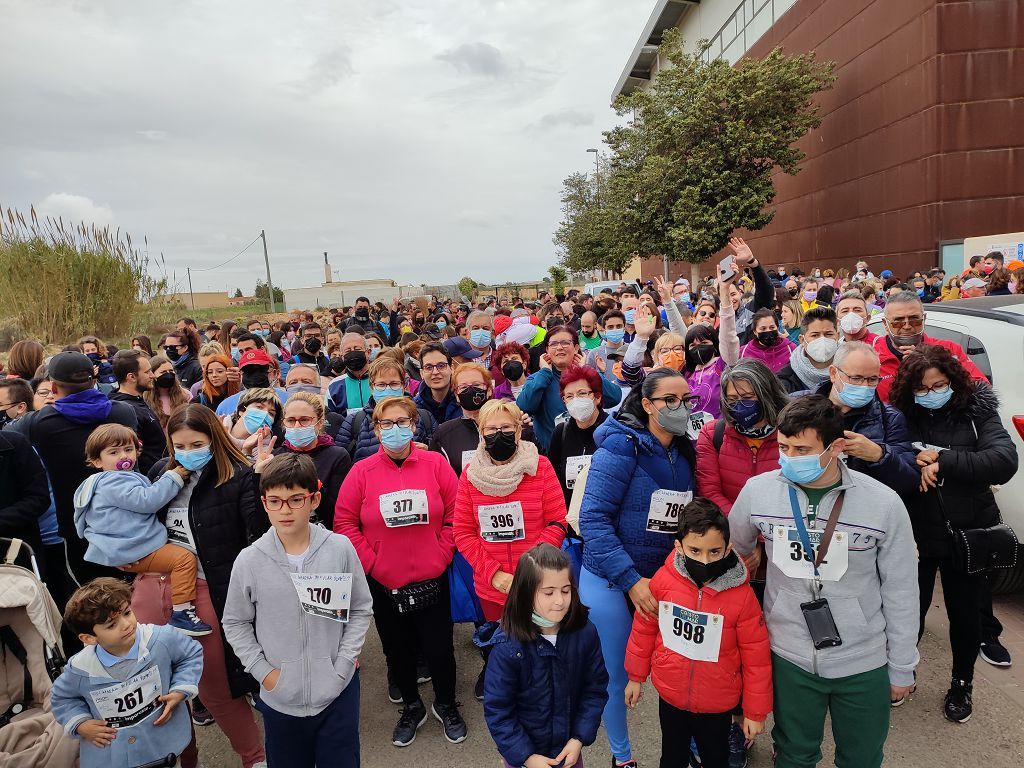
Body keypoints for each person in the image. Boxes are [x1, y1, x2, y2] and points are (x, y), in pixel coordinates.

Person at [728, 395, 919, 768]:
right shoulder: (758, 491)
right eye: (783, 447)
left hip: (862, 661)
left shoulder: (884, 504)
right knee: (794, 755)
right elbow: (733, 551)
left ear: (835, 448)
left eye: (802, 449)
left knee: (861, 757)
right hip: (789, 656)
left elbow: (900, 590)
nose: (789, 457)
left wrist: (901, 666)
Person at [132, 404, 268, 768]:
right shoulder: (162, 472)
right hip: (153, 585)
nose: (188, 453)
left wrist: (259, 479)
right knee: (159, 686)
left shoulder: (237, 475)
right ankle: (183, 757)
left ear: (213, 439)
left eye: (196, 444)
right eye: (179, 446)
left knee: (215, 686)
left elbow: (257, 534)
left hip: (205, 589)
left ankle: (254, 758)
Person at [889, 345, 1017, 722]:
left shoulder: (977, 413)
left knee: (965, 616)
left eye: (939, 385)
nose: (931, 394)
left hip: (969, 531)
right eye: (922, 388)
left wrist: (942, 459)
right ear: (909, 390)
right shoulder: (901, 418)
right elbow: (889, 458)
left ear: (953, 382)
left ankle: (962, 683)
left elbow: (1003, 461)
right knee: (909, 610)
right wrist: (917, 460)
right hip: (917, 533)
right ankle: (902, 672)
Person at [578, 369, 696, 768]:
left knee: (682, 670)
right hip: (610, 580)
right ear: (647, 404)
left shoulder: (686, 451)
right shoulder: (620, 447)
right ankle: (622, 756)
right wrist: (629, 580)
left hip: (666, 580)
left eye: (687, 400)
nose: (681, 408)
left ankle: (688, 746)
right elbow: (593, 519)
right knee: (615, 675)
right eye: (670, 400)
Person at [222, 454, 371, 768]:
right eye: (275, 501)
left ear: (314, 499)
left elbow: (360, 608)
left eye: (295, 499)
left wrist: (343, 664)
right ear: (264, 503)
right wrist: (265, 673)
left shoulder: (340, 548)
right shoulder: (249, 560)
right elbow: (235, 622)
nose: (285, 510)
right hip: (280, 698)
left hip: (337, 691)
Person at [334, 396, 468, 747]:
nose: (395, 429)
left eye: (402, 421)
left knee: (440, 650)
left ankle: (446, 702)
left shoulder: (435, 464)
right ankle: (412, 706)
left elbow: (457, 513)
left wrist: (441, 554)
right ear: (376, 429)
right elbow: (345, 523)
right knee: (397, 650)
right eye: (386, 424)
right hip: (383, 583)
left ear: (414, 425)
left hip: (432, 577)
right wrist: (373, 564)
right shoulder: (361, 471)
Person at [624, 499, 772, 768]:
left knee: (716, 758)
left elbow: (757, 658)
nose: (705, 560)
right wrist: (636, 676)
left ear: (728, 548)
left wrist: (754, 712)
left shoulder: (743, 597)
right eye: (695, 550)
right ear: (679, 547)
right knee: (671, 757)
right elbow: (644, 626)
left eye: (715, 552)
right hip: (671, 695)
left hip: (718, 703)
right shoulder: (664, 581)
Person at [7, 351, 139, 584]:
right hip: (128, 519)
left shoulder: (38, 423)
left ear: (54, 388)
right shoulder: (123, 412)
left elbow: (7, 437)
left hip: (76, 527)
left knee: (92, 594)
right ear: (94, 381)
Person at [73, 423, 212, 635]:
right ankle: (182, 612)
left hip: (127, 548)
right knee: (183, 559)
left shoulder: (100, 482)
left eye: (128, 449)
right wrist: (172, 477)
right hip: (135, 549)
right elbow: (147, 501)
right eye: (114, 452)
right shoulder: (114, 481)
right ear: (97, 461)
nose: (123, 456)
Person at [51, 578, 203, 768]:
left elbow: (190, 654)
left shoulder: (160, 639)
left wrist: (180, 689)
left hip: (164, 742)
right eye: (111, 625)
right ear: (89, 638)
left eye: (127, 613)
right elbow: (63, 699)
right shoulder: (81, 669)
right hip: (113, 755)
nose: (126, 624)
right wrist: (81, 724)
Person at [484, 543, 608, 768]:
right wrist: (526, 756)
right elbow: (498, 710)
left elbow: (595, 689)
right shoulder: (507, 647)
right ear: (525, 593)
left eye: (566, 590)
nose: (560, 600)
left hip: (567, 752)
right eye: (548, 592)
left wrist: (579, 738)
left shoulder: (585, 632)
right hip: (524, 759)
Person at [816, 341, 920, 494]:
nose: (864, 386)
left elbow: (909, 482)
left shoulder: (890, 418)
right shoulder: (801, 408)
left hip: (863, 505)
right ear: (833, 373)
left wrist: (879, 455)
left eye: (872, 379)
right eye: (856, 378)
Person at [695, 359, 787, 515]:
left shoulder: (792, 433)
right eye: (732, 400)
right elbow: (710, 492)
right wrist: (743, 528)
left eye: (747, 397)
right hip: (734, 530)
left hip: (779, 530)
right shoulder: (713, 434)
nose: (739, 405)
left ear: (767, 395)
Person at [517, 326, 621, 451]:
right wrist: (544, 373)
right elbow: (524, 405)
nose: (559, 348)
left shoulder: (586, 374)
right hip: (553, 453)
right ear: (547, 350)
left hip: (590, 450)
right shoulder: (538, 379)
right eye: (553, 344)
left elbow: (614, 397)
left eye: (565, 343)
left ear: (576, 347)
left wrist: (587, 371)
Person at [872, 291, 987, 401]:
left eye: (914, 320)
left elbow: (981, 388)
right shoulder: (872, 358)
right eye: (898, 321)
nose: (907, 326)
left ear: (924, 319)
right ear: (885, 324)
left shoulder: (949, 350)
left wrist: (932, 364)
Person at [274, 391, 351, 526]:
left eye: (304, 420)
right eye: (291, 421)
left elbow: (338, 510)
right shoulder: (274, 457)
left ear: (319, 423)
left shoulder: (337, 456)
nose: (297, 426)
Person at [336, 356, 435, 462]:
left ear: (403, 385)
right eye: (381, 384)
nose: (388, 389)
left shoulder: (424, 418)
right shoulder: (355, 422)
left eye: (394, 384)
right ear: (372, 387)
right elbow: (340, 462)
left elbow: (440, 454)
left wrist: (429, 450)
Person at [546, 365, 608, 509]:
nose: (575, 400)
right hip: (570, 518)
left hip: (605, 516)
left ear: (597, 397)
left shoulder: (613, 432)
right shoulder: (560, 433)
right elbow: (553, 481)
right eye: (569, 396)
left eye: (581, 394)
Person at [428, 363, 496, 476]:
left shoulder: (507, 425)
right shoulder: (444, 434)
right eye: (463, 387)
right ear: (456, 395)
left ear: (489, 390)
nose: (470, 390)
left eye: (476, 385)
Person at [108, 349, 166, 474]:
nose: (153, 375)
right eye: (147, 372)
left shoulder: (138, 400)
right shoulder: (126, 411)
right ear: (132, 377)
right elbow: (133, 455)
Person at [777, 306, 840, 394]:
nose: (822, 340)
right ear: (802, 340)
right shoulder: (784, 381)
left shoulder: (851, 371)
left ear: (837, 336)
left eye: (828, 334)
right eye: (815, 335)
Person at [215, 348, 289, 418]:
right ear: (240, 375)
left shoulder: (287, 400)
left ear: (274, 373)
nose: (255, 375)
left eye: (261, 370)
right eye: (248, 371)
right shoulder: (226, 406)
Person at [413, 342, 462, 424]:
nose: (435, 372)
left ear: (452, 369)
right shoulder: (414, 408)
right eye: (429, 367)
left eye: (441, 366)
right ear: (421, 373)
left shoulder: (464, 402)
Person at [326, 333, 373, 415]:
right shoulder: (334, 385)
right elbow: (329, 419)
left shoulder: (381, 380)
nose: (353, 353)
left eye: (357, 349)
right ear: (342, 356)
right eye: (348, 351)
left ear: (368, 352)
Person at [739, 307, 796, 374]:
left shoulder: (790, 349)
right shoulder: (743, 352)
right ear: (755, 331)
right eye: (763, 329)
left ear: (777, 328)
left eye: (772, 327)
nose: (768, 331)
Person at [144, 354, 193, 430]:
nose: (168, 375)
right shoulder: (145, 398)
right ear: (152, 375)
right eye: (163, 372)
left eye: (171, 371)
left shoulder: (186, 395)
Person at [586, 310, 628, 378]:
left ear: (624, 328)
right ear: (604, 330)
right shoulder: (594, 354)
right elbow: (589, 381)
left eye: (619, 326)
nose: (615, 329)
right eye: (610, 327)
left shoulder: (632, 351)